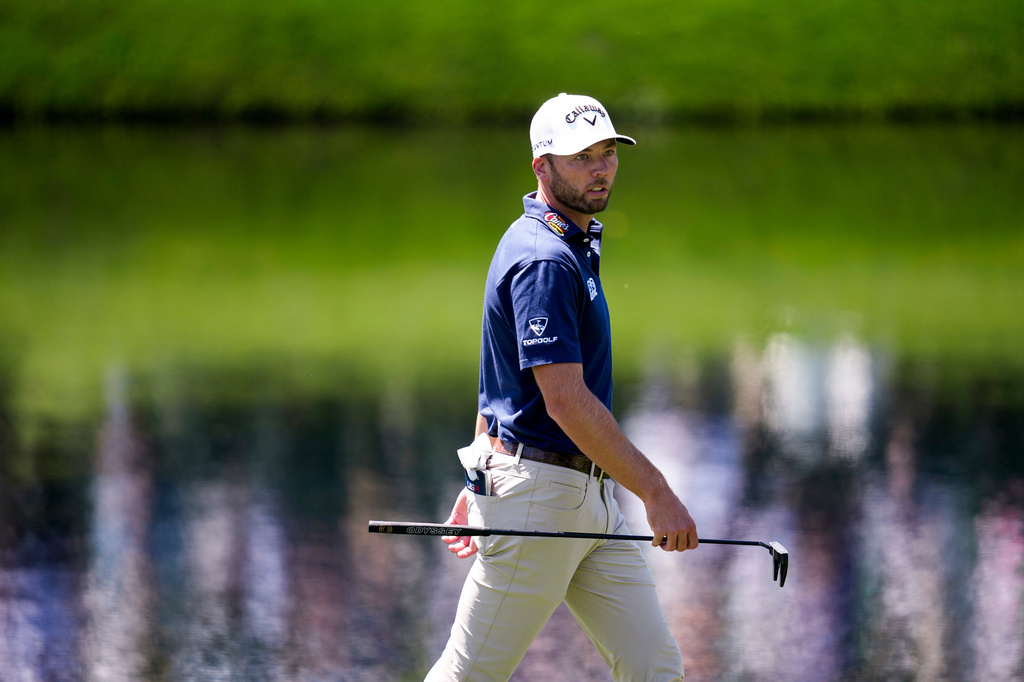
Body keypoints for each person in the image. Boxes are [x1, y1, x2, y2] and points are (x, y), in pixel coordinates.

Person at [426, 93, 698, 682]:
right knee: (467, 674)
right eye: (580, 157)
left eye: (607, 152)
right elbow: (564, 400)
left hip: (589, 497)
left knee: (654, 668)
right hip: (541, 499)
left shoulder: (565, 244)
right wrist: (656, 491)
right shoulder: (543, 259)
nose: (600, 168)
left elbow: (496, 375)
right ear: (541, 167)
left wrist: (477, 472)